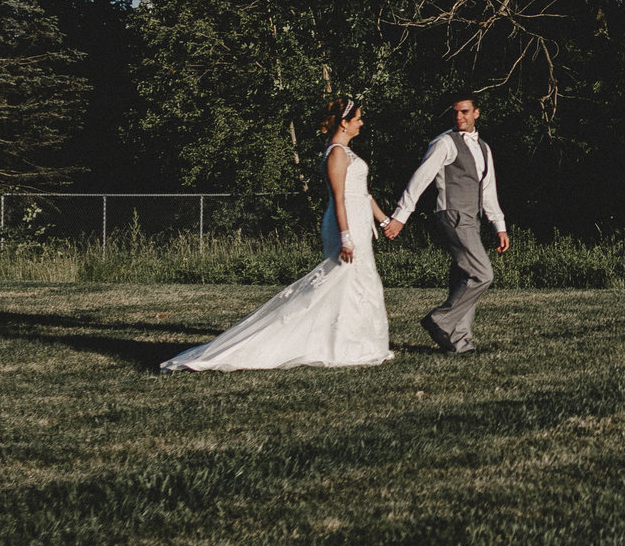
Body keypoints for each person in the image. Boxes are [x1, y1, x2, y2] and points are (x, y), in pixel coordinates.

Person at [161, 95, 399, 372]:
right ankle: (306, 342)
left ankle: (354, 344)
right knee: (340, 279)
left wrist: (384, 221)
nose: (362, 123)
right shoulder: (336, 152)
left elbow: (362, 192)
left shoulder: (348, 152)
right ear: (344, 123)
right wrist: (346, 236)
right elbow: (339, 198)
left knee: (358, 282)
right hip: (344, 224)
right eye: (357, 118)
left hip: (358, 223)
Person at [392, 95, 510, 354]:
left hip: (473, 217)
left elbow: (488, 190)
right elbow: (420, 177)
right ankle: (440, 320)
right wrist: (402, 215)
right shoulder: (445, 142)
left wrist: (499, 225)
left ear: (476, 113)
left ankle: (459, 343)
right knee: (482, 274)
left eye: (465, 112)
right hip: (453, 215)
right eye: (455, 112)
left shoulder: (484, 148)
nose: (459, 117)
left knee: (464, 277)